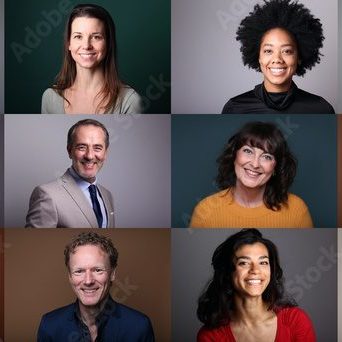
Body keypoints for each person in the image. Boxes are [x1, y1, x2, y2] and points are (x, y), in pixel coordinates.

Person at [197, 229, 316, 341]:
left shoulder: (295, 321)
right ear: (228, 272)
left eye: (263, 262)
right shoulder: (211, 336)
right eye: (244, 263)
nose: (255, 270)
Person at [189, 121, 313, 228]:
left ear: (276, 166)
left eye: (267, 157)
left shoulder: (297, 210)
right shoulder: (205, 211)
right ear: (234, 156)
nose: (255, 164)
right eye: (248, 151)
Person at [221, 0, 335, 114]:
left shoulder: (320, 109)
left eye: (287, 51)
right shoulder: (235, 108)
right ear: (258, 56)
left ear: (299, 57)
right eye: (268, 51)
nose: (277, 59)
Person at [37, 232, 155, 341]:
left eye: (98, 270)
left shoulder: (139, 326)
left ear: (112, 274)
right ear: (70, 276)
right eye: (79, 271)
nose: (88, 281)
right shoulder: (50, 325)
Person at [41, 4, 141, 114]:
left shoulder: (129, 100)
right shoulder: (50, 98)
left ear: (108, 44)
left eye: (96, 37)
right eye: (78, 36)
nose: (86, 45)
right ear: (68, 43)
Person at [25, 119, 115, 228]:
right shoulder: (47, 195)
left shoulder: (107, 195)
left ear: (105, 153)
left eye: (97, 148)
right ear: (69, 151)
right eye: (82, 147)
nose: (90, 156)